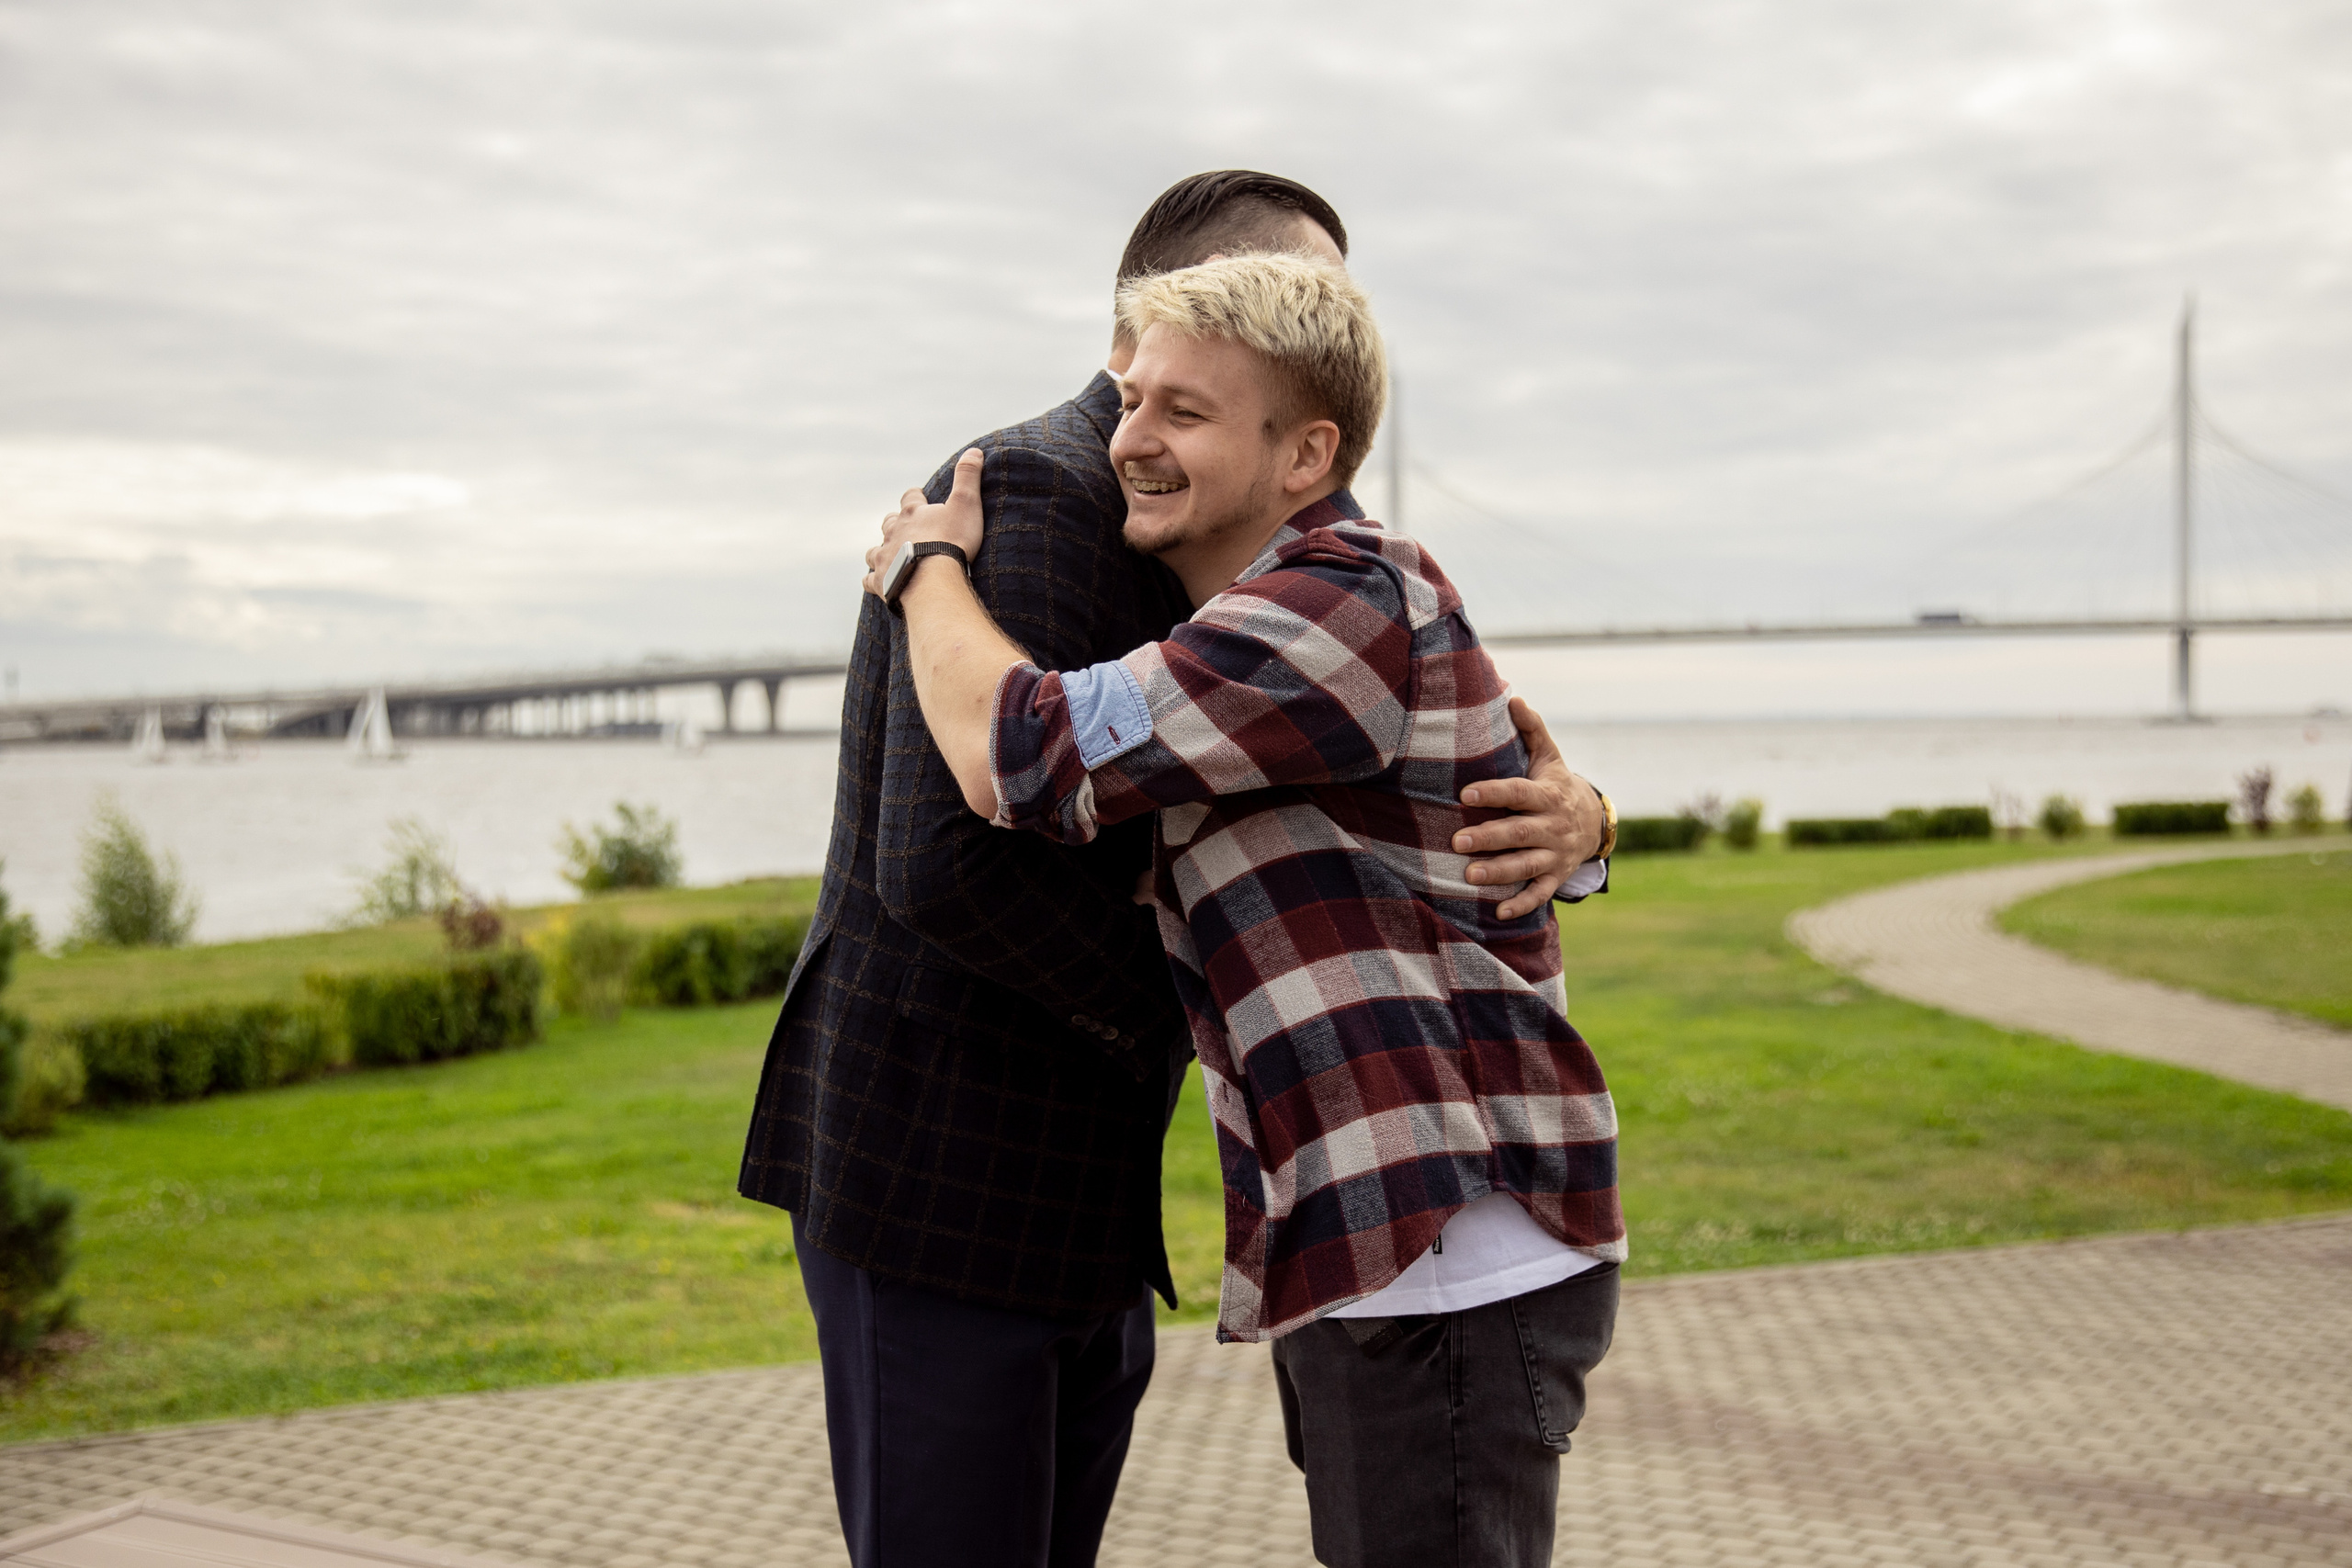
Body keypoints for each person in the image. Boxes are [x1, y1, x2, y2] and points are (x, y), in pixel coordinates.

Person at [741, 172, 1607, 1568]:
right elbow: (946, 856)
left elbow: (1461, 769)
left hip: (1371, 1218)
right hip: (944, 1176)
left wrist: (1586, 819)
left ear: (1306, 438)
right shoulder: (1039, 490)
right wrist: (1206, 1018)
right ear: (1154, 317)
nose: (1320, 321)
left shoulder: (1303, 572)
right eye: (1288, 298)